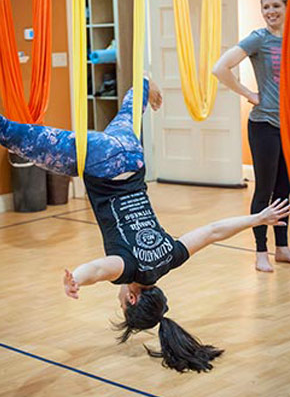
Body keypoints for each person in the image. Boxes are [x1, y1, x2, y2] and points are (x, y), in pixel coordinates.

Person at [1, 77, 289, 373]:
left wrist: (257, 218)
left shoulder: (171, 258)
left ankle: (145, 87)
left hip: (132, 156)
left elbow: (213, 231)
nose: (120, 300)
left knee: (130, 105)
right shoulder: (127, 268)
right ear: (133, 297)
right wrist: (77, 278)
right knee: (9, 134)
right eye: (123, 304)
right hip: (99, 159)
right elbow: (99, 270)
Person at [212, 0, 290, 273]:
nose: (270, 12)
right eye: (265, 7)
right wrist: (249, 94)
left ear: (286, 7)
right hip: (264, 125)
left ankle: (281, 247)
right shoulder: (259, 39)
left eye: (276, 6)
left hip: (287, 127)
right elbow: (220, 67)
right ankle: (261, 251)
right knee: (265, 190)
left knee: (285, 189)